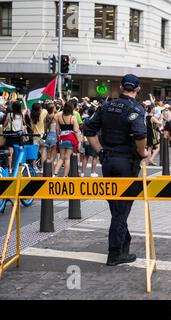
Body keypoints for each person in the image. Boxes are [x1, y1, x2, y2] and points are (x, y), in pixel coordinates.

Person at [84, 74, 148, 266]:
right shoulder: (136, 108)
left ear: (121, 87)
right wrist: (142, 152)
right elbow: (140, 133)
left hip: (108, 162)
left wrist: (100, 151)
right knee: (121, 209)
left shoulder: (105, 106)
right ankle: (115, 253)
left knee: (116, 206)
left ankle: (123, 242)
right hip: (126, 163)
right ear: (137, 89)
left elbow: (89, 130)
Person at [53, 101, 81, 177]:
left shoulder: (60, 117)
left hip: (62, 138)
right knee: (67, 158)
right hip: (70, 138)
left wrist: (58, 139)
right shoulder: (73, 118)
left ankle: (55, 174)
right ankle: (65, 176)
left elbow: (57, 129)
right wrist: (79, 141)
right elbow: (76, 130)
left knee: (61, 158)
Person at [3, 100, 26, 173]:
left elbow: (5, 125)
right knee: (19, 152)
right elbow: (26, 109)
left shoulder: (9, 115)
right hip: (19, 135)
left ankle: (10, 169)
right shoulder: (21, 114)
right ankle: (18, 169)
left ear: (13, 107)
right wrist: (23, 100)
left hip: (11, 135)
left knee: (10, 153)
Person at [30, 102, 48, 173]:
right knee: (43, 152)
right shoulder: (43, 113)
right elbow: (45, 110)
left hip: (35, 136)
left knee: (34, 153)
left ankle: (34, 168)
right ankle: (43, 168)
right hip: (42, 135)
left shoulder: (32, 116)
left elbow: (32, 127)